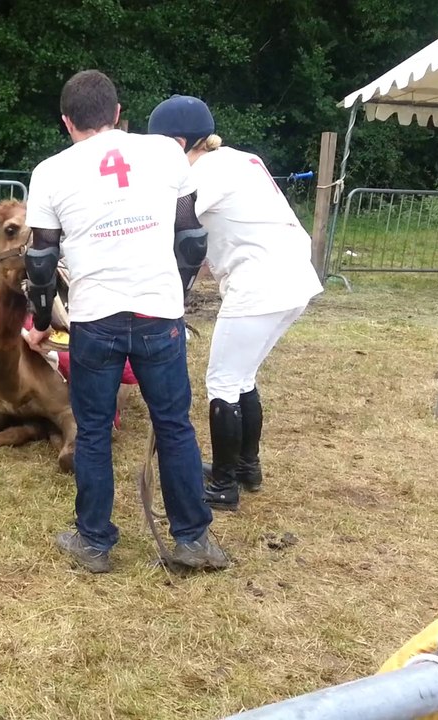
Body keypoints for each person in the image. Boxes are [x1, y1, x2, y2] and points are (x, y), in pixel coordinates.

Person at [22, 70, 229, 573]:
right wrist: (173, 293)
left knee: (92, 431)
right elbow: (190, 237)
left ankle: (94, 542)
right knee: (174, 426)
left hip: (95, 317)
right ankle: (193, 541)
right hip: (158, 312)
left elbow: (42, 260)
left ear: (67, 122)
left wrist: (41, 319)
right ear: (117, 113)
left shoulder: (49, 171)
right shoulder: (164, 152)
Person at [147, 95, 323, 511]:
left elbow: (173, 220)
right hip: (291, 277)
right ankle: (247, 466)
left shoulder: (203, 172)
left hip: (260, 282)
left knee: (223, 383)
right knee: (242, 377)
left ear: (177, 141)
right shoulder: (239, 159)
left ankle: (224, 485)